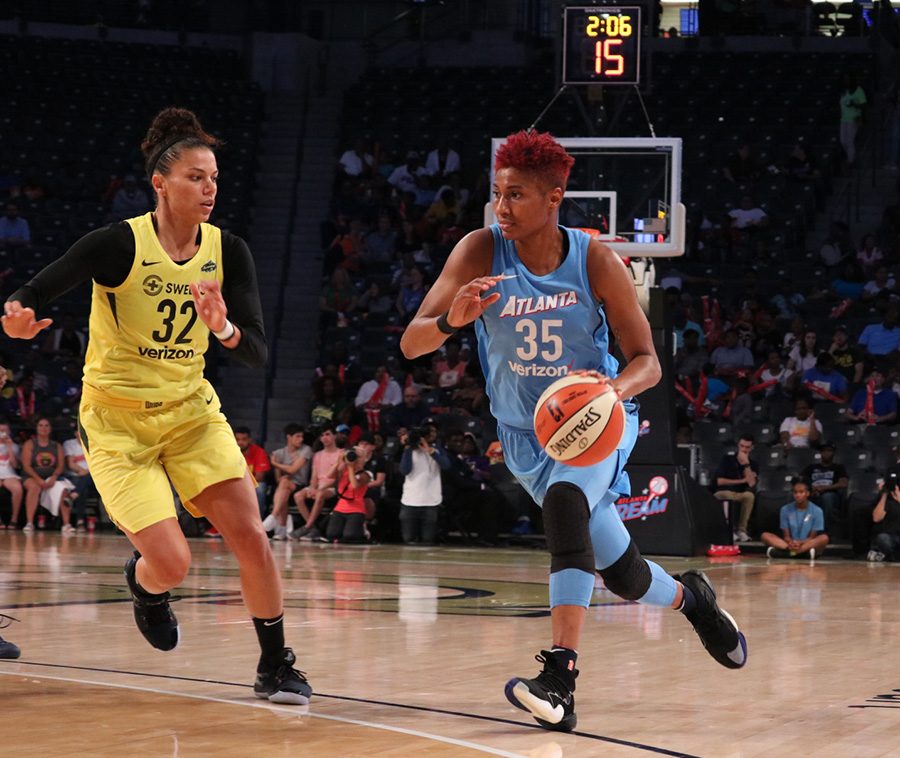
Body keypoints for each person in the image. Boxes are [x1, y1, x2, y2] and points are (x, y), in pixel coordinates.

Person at [400, 130, 747, 732]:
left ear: (555, 196)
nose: (502, 208)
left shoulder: (594, 260)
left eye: (517, 196)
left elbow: (647, 361)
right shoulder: (479, 250)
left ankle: (559, 677)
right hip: (523, 437)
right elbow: (412, 342)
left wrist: (612, 393)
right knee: (624, 575)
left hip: (595, 426)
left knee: (565, 506)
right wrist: (452, 320)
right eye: (498, 194)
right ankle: (695, 599)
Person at [1, 107, 310, 704]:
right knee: (172, 563)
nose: (210, 188)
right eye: (196, 176)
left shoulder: (229, 251)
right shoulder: (117, 244)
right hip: (117, 421)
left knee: (250, 533)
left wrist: (222, 327)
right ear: (160, 185)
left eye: (214, 177)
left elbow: (257, 353)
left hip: (192, 412)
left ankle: (276, 665)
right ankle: (147, 589)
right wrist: (16, 314)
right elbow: (36, 288)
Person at [397, 427, 450, 544]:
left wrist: (430, 451)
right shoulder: (409, 451)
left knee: (428, 539)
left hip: (431, 500)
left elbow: (446, 465)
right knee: (408, 538)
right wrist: (408, 448)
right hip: (410, 500)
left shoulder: (437, 450)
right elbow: (404, 470)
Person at [20, 418, 73, 533]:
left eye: (46, 425)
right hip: (31, 477)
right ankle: (29, 523)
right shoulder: (30, 444)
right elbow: (26, 466)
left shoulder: (56, 446)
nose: (43, 428)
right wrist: (38, 479)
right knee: (34, 488)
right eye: (41, 425)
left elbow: (60, 466)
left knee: (64, 490)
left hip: (52, 477)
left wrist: (54, 477)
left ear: (50, 428)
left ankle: (66, 524)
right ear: (37, 428)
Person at [294, 425, 342, 541]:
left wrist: (320, 489)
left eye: (327, 434)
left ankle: (307, 526)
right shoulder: (318, 455)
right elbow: (314, 475)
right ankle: (313, 528)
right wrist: (312, 487)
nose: (324, 438)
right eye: (322, 435)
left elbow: (339, 478)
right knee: (298, 495)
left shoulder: (341, 454)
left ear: (334, 436)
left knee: (320, 495)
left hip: (332, 487)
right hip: (319, 485)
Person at [761, 479, 829, 559]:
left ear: (807, 493)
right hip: (789, 544)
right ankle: (802, 554)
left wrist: (799, 543)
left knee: (824, 538)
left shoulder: (817, 511)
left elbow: (812, 537)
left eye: (801, 492)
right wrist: (791, 543)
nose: (798, 495)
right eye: (795, 492)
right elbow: (786, 536)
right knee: (765, 535)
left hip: (806, 544)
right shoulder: (785, 509)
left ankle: (788, 554)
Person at [266, 423, 312, 540]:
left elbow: (293, 469)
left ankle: (275, 519)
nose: (301, 439)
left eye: (302, 437)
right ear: (289, 437)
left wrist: (276, 464)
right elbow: (277, 478)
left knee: (284, 483)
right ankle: (280, 528)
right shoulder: (279, 453)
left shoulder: (306, 450)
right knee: (284, 486)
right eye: (297, 436)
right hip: (286, 486)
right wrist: (282, 474)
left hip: (301, 485)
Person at [713, 435, 758, 543]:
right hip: (723, 491)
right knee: (727, 495)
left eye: (747, 447)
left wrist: (746, 465)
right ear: (738, 445)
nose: (744, 449)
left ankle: (741, 531)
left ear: (751, 448)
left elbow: (751, 483)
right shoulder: (727, 459)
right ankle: (729, 530)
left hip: (740, 493)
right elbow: (720, 481)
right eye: (742, 446)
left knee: (749, 496)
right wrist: (742, 481)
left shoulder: (753, 464)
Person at [801, 441, 848, 538]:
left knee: (827, 497)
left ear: (833, 453)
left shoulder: (838, 468)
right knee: (796, 495)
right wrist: (811, 488)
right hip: (812, 493)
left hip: (831, 494)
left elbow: (844, 483)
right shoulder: (811, 467)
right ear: (820, 453)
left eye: (829, 451)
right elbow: (800, 480)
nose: (826, 453)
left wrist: (824, 488)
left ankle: (824, 532)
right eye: (824, 451)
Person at [63, 426, 98, 531]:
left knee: (88, 478)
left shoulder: (93, 444)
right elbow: (70, 464)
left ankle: (73, 495)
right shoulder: (69, 444)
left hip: (92, 477)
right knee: (84, 488)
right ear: (75, 433)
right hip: (75, 475)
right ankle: (80, 521)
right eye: (80, 431)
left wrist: (87, 472)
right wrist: (83, 471)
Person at [234, 426, 272, 520]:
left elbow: (259, 477)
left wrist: (243, 485)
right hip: (235, 483)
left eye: (244, 439)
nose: (240, 442)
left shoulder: (259, 452)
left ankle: (257, 521)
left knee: (260, 488)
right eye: (237, 439)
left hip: (253, 483)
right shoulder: (229, 452)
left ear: (249, 440)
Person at [839, 73, 867, 166]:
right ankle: (851, 158)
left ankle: (851, 161)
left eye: (847, 78)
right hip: (843, 119)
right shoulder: (843, 91)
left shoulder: (859, 90)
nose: (846, 80)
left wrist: (854, 104)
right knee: (843, 141)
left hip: (854, 118)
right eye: (844, 79)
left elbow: (864, 105)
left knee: (849, 141)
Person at [0, 419, 23, 529]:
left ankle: (14, 519)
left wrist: (9, 447)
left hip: (9, 473)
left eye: (4, 430)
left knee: (18, 489)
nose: (2, 433)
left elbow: (15, 465)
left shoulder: (14, 446)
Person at [868, 483, 900, 562]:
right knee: (883, 538)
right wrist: (884, 495)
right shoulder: (888, 501)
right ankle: (891, 555)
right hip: (892, 537)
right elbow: (876, 518)